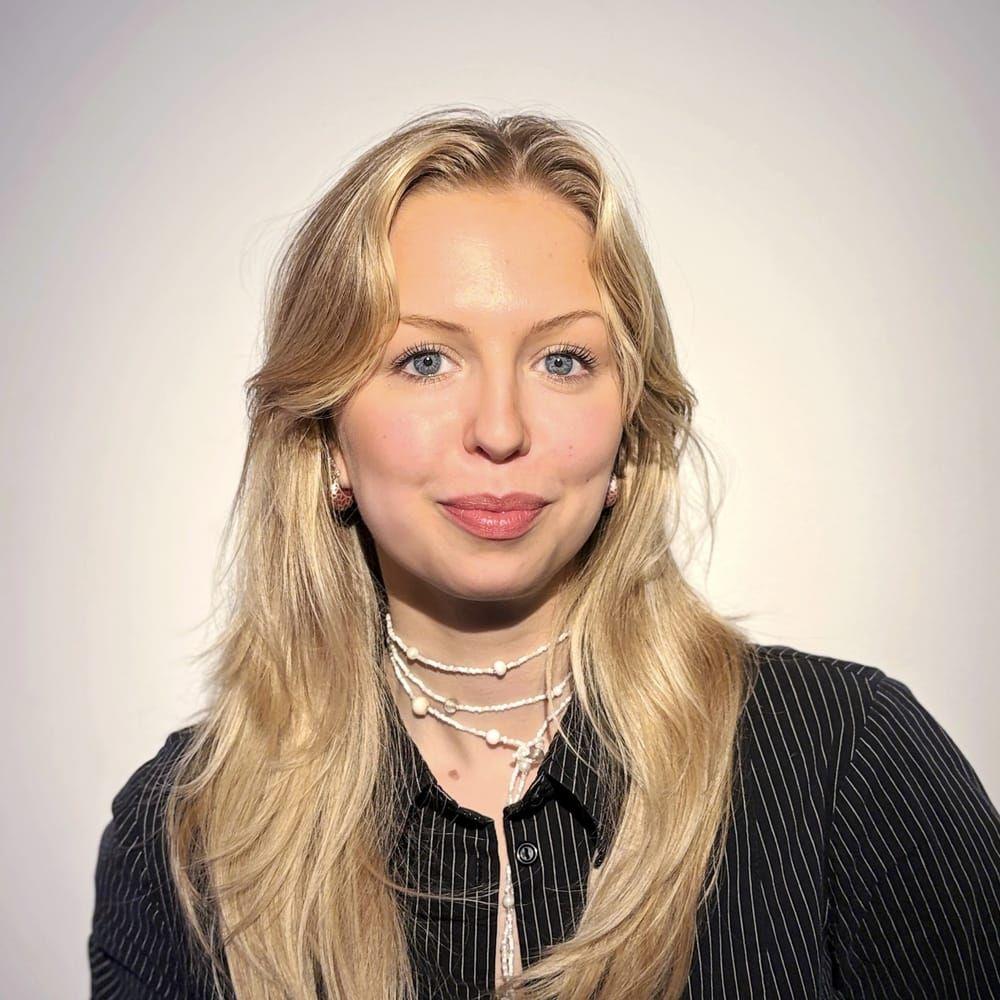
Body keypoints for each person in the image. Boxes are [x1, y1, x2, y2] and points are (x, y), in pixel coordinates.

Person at [88, 107, 1000, 1000]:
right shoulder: (185, 837)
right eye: (425, 361)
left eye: (561, 360)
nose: (500, 428)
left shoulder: (847, 760)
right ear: (327, 438)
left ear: (629, 426)